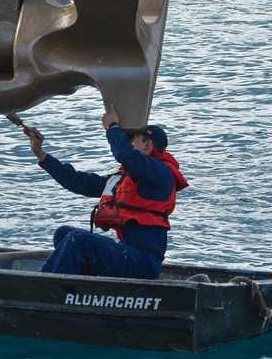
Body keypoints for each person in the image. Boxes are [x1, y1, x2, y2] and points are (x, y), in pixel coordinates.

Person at [24, 106, 188, 279]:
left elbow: (125, 155)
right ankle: (77, 292)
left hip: (142, 264)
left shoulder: (161, 172)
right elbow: (78, 182)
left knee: (78, 240)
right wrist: (40, 153)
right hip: (128, 255)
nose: (130, 143)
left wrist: (112, 127)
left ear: (148, 145)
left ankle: (43, 287)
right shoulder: (126, 178)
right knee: (64, 234)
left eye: (134, 139)